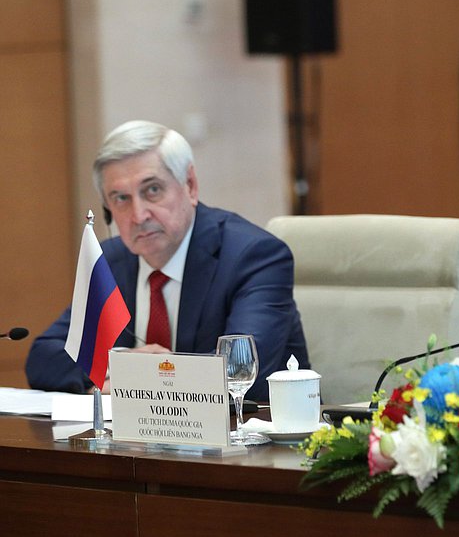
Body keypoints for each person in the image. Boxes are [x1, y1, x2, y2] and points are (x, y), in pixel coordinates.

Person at [26, 120, 308, 401]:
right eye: (121, 198)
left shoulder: (254, 256)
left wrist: (138, 378)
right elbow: (44, 357)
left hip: (257, 437)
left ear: (191, 186)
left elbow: (241, 368)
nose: (139, 215)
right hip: (137, 443)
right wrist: (121, 365)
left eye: (152, 190)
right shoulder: (112, 260)